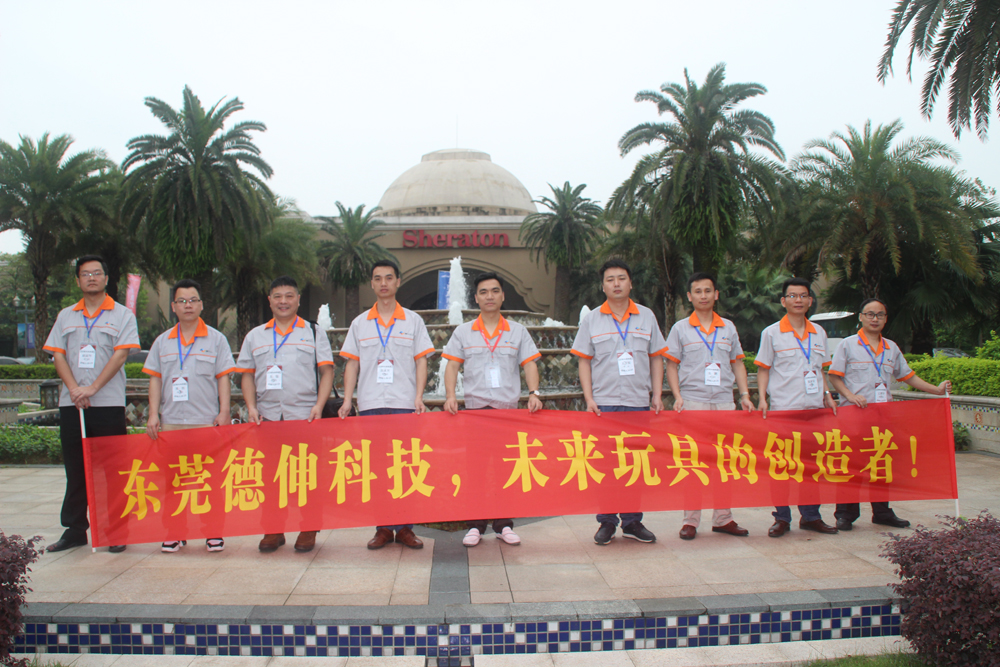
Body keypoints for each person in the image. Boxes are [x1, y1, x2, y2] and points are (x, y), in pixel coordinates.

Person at [827, 297, 952, 531]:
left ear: (885, 319)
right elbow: (834, 376)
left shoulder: (891, 347)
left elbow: (907, 376)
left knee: (881, 465)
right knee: (852, 466)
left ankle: (882, 513)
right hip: (854, 416)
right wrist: (850, 395)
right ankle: (845, 514)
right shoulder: (848, 345)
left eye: (880, 315)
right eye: (870, 314)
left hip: (882, 417)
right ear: (861, 317)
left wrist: (937, 390)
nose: (875, 319)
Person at [42, 255, 140, 553]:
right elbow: (58, 354)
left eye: (97, 273)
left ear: (106, 279)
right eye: (85, 274)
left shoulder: (122, 315)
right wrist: (75, 389)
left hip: (107, 403)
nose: (92, 278)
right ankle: (75, 529)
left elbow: (121, 355)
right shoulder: (66, 316)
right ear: (78, 280)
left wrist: (93, 388)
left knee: (113, 470)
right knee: (76, 467)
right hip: (72, 403)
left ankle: (116, 531)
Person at [441, 272, 544, 547]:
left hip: (506, 413)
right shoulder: (463, 332)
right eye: (484, 292)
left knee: (505, 470)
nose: (490, 296)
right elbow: (452, 365)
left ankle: (503, 524)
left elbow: (529, 363)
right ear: (476, 298)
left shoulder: (517, 331)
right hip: (476, 413)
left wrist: (534, 393)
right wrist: (450, 396)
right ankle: (475, 525)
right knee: (475, 470)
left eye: (495, 291)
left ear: (502, 295)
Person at [339, 260, 435, 550]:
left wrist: (418, 396)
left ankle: (405, 528)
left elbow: (421, 361)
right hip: (370, 405)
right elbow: (351, 364)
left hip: (404, 404)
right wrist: (347, 399)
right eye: (378, 278)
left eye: (389, 278)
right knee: (377, 468)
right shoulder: (359, 323)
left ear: (398, 281)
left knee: (406, 465)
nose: (383, 283)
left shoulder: (413, 321)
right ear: (371, 283)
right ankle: (382, 528)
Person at [235, 276, 335, 553]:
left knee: (307, 476)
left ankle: (308, 528)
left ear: (298, 300)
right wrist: (251, 406)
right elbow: (246, 375)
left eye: (289, 296)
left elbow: (327, 371)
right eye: (277, 296)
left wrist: (319, 405)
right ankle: (273, 529)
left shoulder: (313, 332)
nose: (283, 301)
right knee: (270, 477)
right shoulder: (255, 336)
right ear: (269, 301)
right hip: (267, 417)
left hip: (305, 416)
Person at [571, 259, 667, 545]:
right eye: (610, 279)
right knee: (606, 464)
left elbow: (656, 357)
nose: (616, 283)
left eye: (621, 278)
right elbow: (584, 361)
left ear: (630, 283)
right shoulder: (592, 319)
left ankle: (632, 522)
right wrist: (589, 398)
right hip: (605, 404)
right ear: (603, 286)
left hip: (638, 402)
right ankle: (607, 521)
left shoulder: (647, 316)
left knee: (635, 462)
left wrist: (657, 394)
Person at [143, 279, 236, 552]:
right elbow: (155, 380)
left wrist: (224, 412)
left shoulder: (216, 340)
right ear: (173, 306)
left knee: (211, 480)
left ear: (201, 305)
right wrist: (153, 414)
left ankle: (213, 532)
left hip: (206, 422)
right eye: (182, 301)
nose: (188, 305)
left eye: (193, 300)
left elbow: (223, 378)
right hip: (172, 422)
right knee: (173, 481)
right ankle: (175, 532)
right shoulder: (162, 342)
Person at [665, 272, 752, 540]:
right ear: (689, 297)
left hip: (724, 402)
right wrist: (677, 396)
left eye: (708, 291)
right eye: (697, 291)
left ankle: (723, 518)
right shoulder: (680, 329)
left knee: (724, 462)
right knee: (694, 462)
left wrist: (745, 395)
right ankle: (690, 520)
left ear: (716, 295)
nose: (703, 296)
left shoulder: (728, 327)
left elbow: (738, 363)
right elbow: (671, 365)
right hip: (693, 402)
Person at [755, 277, 839, 537]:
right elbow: (763, 369)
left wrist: (827, 394)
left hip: (813, 410)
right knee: (782, 466)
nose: (798, 300)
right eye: (792, 296)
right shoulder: (771, 333)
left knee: (811, 467)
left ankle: (811, 516)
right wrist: (762, 399)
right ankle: (781, 517)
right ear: (783, 301)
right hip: (784, 410)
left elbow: (820, 369)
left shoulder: (819, 332)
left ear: (810, 301)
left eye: (803, 296)